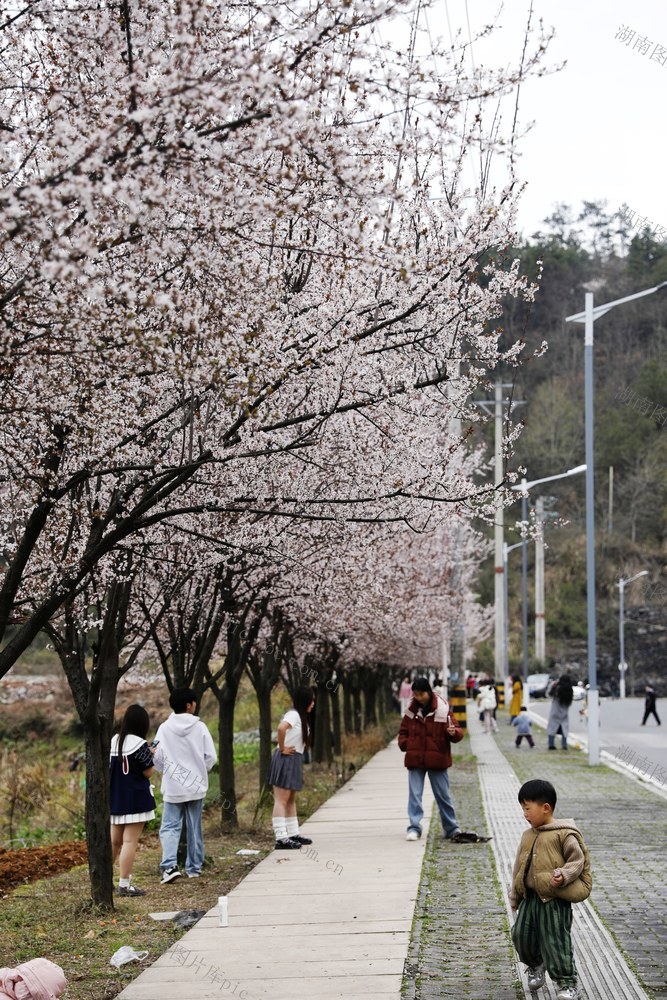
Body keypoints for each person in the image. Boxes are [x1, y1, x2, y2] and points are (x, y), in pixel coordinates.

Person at [509, 779, 592, 1000]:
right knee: (520, 935)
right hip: (530, 897)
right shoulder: (527, 835)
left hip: (554, 899)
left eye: (527, 808)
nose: (524, 813)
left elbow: (577, 860)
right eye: (523, 809)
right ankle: (536, 963)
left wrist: (564, 874)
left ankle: (567, 983)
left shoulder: (564, 833)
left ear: (546, 808)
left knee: (555, 940)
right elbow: (519, 866)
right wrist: (514, 894)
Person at [398, 677, 489, 843]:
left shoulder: (442, 708)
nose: (418, 698)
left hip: (437, 759)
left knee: (443, 796)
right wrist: (406, 744)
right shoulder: (411, 710)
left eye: (421, 694)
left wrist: (452, 732)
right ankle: (414, 827)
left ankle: (451, 828)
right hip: (415, 759)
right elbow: (403, 731)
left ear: (429, 692)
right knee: (415, 796)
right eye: (416, 694)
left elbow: (458, 733)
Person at [152, 687, 217, 882]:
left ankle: (170, 866)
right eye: (194, 702)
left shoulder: (163, 728)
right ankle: (194, 867)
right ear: (189, 705)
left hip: (173, 786)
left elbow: (156, 758)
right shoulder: (200, 727)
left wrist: (169, 771)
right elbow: (211, 757)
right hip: (195, 786)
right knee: (194, 826)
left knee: (170, 827)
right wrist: (199, 771)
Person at [109, 703, 156, 897]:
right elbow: (148, 773)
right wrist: (152, 754)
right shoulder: (141, 745)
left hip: (115, 798)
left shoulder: (113, 741)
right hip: (136, 799)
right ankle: (125, 885)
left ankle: (103, 880)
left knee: (114, 842)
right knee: (129, 842)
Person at [268, 685, 315, 849]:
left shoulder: (300, 717)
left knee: (290, 799)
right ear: (305, 701)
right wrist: (282, 748)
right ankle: (281, 838)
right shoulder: (293, 715)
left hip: (294, 758)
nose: (313, 703)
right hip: (286, 758)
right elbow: (281, 727)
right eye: (311, 700)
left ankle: (293, 833)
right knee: (281, 800)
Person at [547, 676, 573, 750]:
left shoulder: (557, 689)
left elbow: (549, 694)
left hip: (555, 712)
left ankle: (551, 744)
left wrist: (552, 685)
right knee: (564, 729)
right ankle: (564, 745)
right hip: (564, 713)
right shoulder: (570, 690)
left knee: (552, 728)